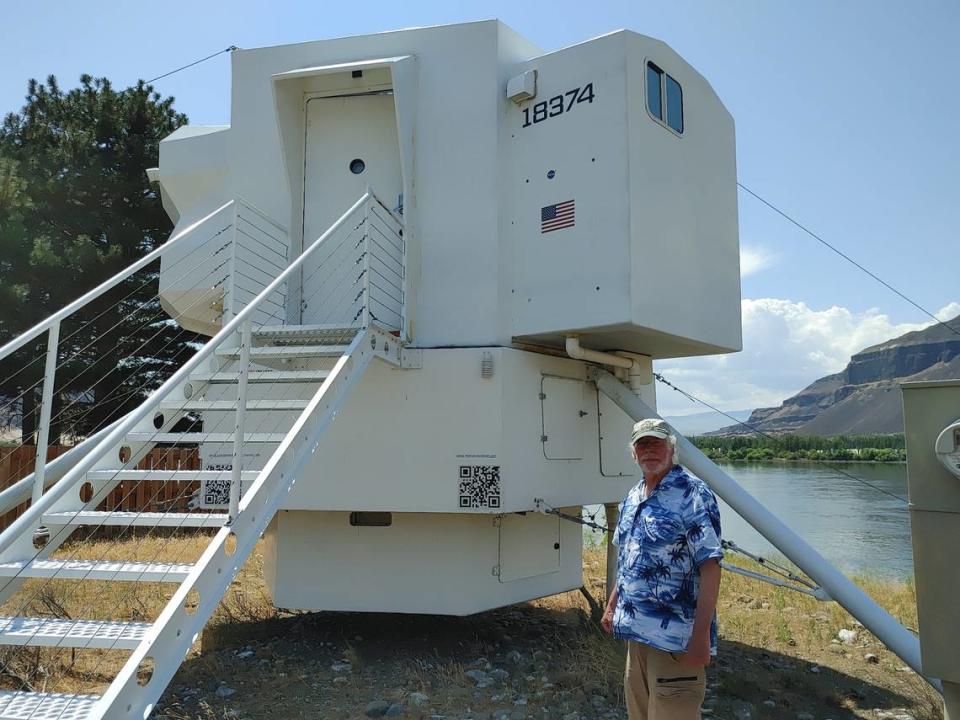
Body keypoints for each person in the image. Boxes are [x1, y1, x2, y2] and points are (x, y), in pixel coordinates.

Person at [601, 418, 723, 720]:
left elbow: (711, 568)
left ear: (672, 448)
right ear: (633, 452)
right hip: (636, 635)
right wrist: (612, 605)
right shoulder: (634, 495)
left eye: (656, 442)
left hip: (675, 642)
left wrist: (700, 638)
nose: (649, 450)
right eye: (642, 443)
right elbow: (629, 559)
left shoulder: (692, 495)